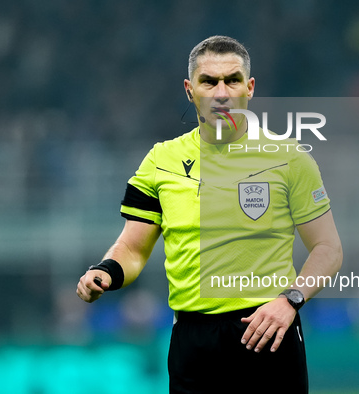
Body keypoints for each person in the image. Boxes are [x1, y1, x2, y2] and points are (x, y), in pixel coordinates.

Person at [77, 35, 342, 393]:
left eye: (232, 80)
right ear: (190, 90)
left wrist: (290, 301)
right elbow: (133, 247)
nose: (221, 92)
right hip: (193, 341)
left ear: (249, 88)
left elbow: (328, 249)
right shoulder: (160, 161)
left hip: (269, 328)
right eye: (209, 81)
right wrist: (106, 270)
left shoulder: (290, 158)